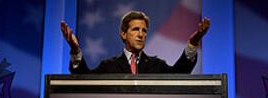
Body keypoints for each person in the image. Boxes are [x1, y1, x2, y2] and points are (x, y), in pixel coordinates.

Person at [60, 10, 210, 74]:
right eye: (135, 30)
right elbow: (84, 81)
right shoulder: (108, 66)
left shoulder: (157, 66)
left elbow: (180, 75)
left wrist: (193, 42)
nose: (141, 35)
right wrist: (74, 49)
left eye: (144, 31)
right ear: (123, 34)